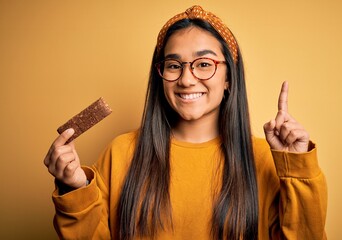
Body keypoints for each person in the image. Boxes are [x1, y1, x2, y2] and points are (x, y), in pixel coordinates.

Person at [44, 5, 327, 240]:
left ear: (229, 77)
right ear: (161, 73)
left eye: (204, 64)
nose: (187, 79)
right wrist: (75, 188)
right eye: (174, 65)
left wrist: (297, 168)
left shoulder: (264, 159)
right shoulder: (121, 153)